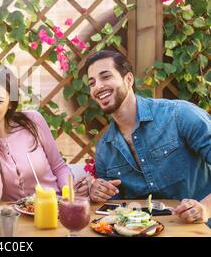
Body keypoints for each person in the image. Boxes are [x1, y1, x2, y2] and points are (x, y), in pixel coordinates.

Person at [84, 49, 211, 225]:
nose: (97, 86)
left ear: (128, 79)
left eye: (105, 77)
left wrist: (206, 208)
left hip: (202, 229)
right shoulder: (104, 150)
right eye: (92, 83)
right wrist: (98, 192)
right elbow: (113, 209)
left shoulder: (180, 115)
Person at [0, 65, 89, 201]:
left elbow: (59, 167)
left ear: (10, 104)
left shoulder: (33, 120)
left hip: (55, 207)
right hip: (14, 218)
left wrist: (68, 193)